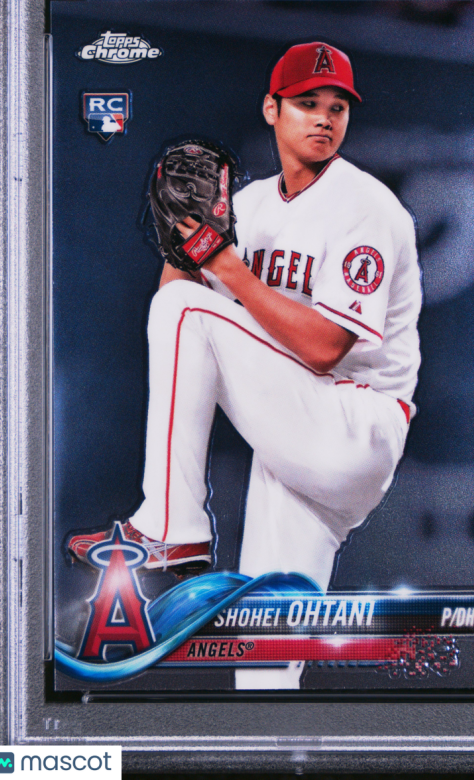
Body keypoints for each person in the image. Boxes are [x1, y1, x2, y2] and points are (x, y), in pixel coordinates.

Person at [69, 41, 422, 689]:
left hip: (355, 419)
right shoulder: (252, 205)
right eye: (307, 102)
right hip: (297, 436)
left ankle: (171, 523)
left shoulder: (365, 208)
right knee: (263, 660)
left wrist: (224, 265)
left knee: (184, 310)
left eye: (337, 106)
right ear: (271, 109)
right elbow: (178, 306)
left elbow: (324, 348)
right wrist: (182, 239)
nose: (324, 117)